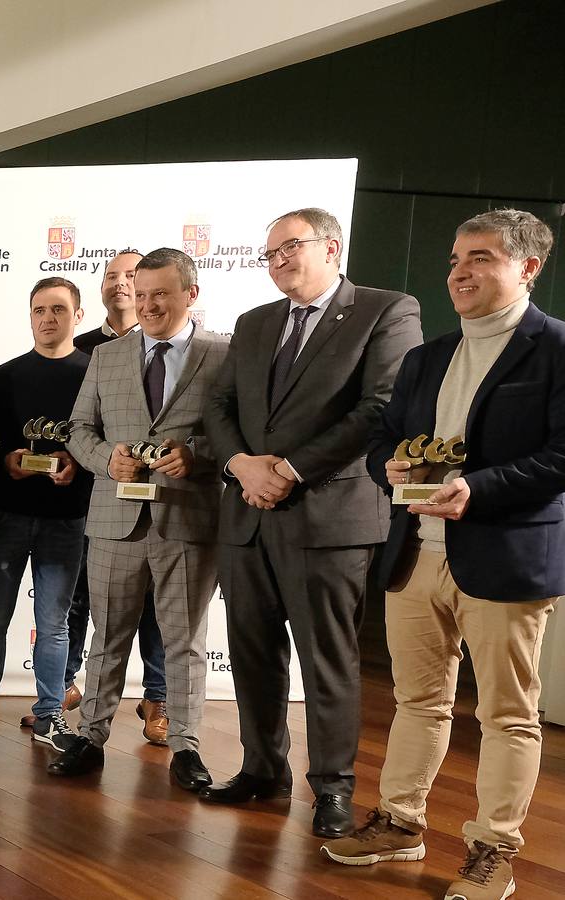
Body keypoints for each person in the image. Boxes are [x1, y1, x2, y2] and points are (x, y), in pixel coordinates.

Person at [323, 210, 564, 900]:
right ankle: (400, 824)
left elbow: (562, 455)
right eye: (454, 258)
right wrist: (387, 470)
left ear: (527, 267)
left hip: (504, 556)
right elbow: (384, 442)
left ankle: (494, 851)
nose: (458, 271)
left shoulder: (556, 350)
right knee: (416, 701)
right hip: (414, 555)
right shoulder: (425, 357)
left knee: (506, 715)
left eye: (479, 257)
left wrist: (477, 489)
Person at [201, 208, 421, 837]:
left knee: (327, 658)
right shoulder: (253, 322)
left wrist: (290, 470)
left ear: (332, 246)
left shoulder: (387, 310)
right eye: (268, 253)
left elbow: (382, 407)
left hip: (328, 517)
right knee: (250, 652)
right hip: (246, 513)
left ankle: (331, 787)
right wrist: (243, 465)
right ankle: (262, 768)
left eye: (289, 247)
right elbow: (219, 405)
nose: (277, 261)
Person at [48, 248, 230, 792]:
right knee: (106, 638)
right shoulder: (107, 357)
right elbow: (78, 430)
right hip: (114, 519)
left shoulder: (224, 355)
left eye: (161, 294)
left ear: (190, 295)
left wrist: (195, 453)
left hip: (189, 518)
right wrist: (107, 459)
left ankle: (186, 747)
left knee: (185, 641)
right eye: (142, 292)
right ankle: (92, 737)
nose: (148, 304)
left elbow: (237, 435)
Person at [0, 277, 92, 752]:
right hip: (8, 514)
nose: (48, 318)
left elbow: (104, 444)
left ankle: (50, 715)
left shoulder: (94, 372)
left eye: (59, 309)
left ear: (78, 315)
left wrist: (81, 463)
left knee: (53, 623)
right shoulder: (6, 377)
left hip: (67, 516)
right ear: (29, 315)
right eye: (39, 309)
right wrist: (4, 461)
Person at [62, 248, 170, 745]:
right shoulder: (84, 348)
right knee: (85, 604)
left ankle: (158, 696)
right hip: (94, 501)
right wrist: (101, 460)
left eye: (132, 276)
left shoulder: (193, 348)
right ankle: (68, 689)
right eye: (112, 275)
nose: (121, 284)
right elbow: (77, 428)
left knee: (158, 613)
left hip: (166, 508)